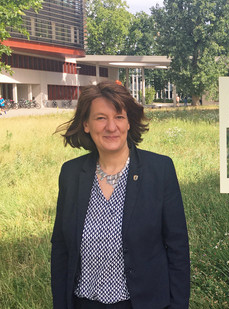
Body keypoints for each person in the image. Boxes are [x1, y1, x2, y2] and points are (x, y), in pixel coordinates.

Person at [51, 80, 190, 308]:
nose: (111, 127)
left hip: (143, 302)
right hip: (84, 302)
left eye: (119, 117)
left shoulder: (160, 170)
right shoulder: (71, 173)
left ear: (128, 123)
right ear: (86, 124)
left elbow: (178, 248)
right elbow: (61, 248)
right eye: (100, 118)